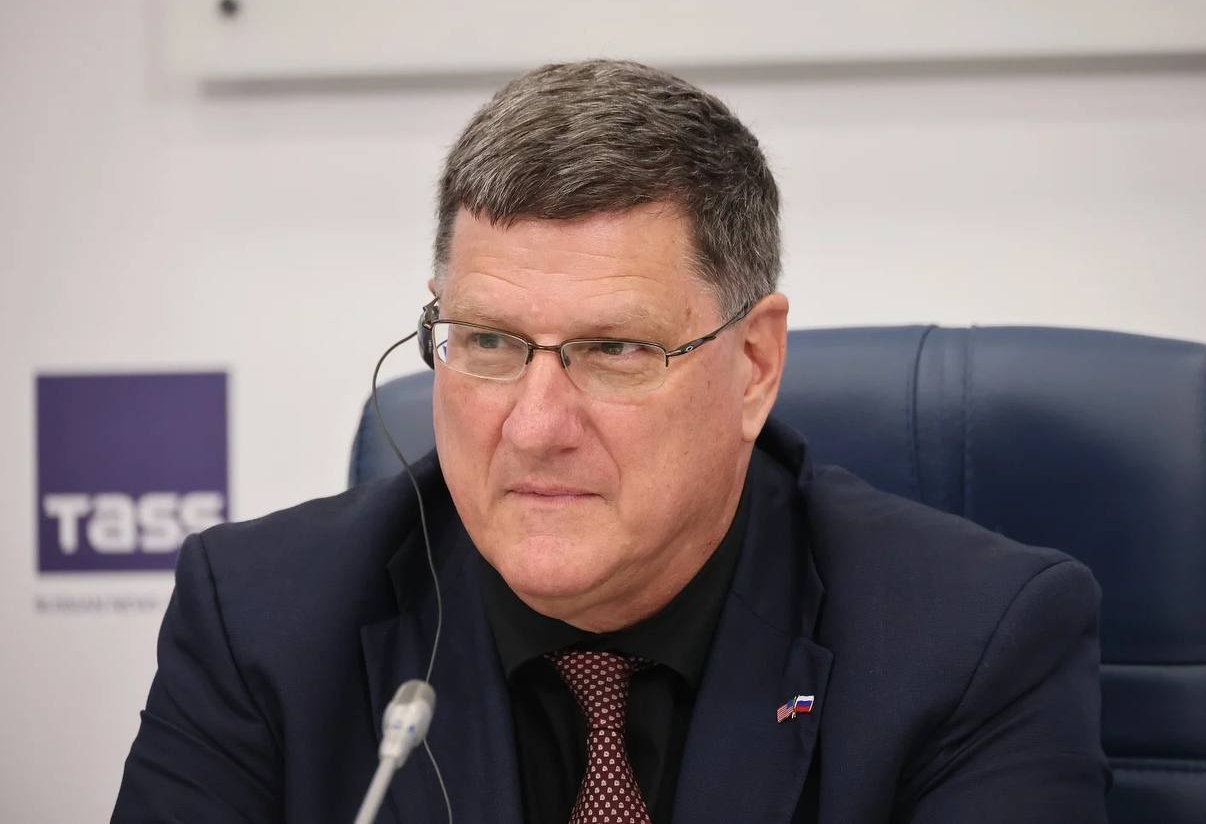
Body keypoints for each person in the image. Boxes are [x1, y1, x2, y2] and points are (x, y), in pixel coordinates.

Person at [113, 59, 1108, 824]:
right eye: (489, 342)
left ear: (754, 362)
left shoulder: (970, 643)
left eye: (615, 349)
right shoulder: (261, 623)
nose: (536, 426)